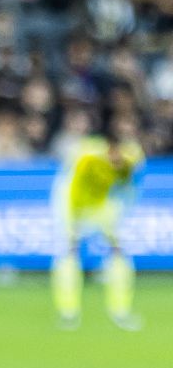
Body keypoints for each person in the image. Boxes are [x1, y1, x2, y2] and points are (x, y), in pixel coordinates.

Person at [50, 118, 145, 330]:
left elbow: (129, 186)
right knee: (69, 251)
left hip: (102, 202)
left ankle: (120, 310)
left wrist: (120, 214)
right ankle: (68, 312)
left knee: (119, 251)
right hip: (72, 201)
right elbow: (73, 189)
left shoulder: (132, 155)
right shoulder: (86, 157)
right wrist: (73, 221)